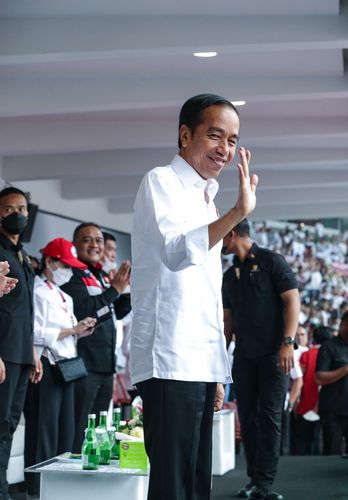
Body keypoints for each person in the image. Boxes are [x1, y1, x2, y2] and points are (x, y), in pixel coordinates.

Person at [129, 93, 258, 500]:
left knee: (197, 481)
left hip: (198, 360)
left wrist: (216, 366)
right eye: (215, 135)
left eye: (233, 140)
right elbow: (176, 251)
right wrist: (237, 213)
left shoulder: (207, 196)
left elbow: (205, 294)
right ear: (185, 135)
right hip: (169, 358)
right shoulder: (160, 181)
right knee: (173, 483)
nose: (225, 149)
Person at [221, 218, 300, 500]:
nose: (218, 240)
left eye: (221, 234)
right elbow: (227, 320)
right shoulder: (229, 276)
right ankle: (254, 479)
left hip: (274, 355)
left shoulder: (271, 261)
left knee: (269, 416)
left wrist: (287, 343)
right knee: (248, 417)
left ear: (232, 232)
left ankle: (265, 483)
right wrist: (221, 356)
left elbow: (292, 300)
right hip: (244, 356)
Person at [23, 238, 96, 496]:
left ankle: (60, 482)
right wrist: (71, 330)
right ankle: (38, 486)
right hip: (44, 362)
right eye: (65, 264)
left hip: (67, 363)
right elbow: (33, 330)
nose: (69, 270)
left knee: (66, 427)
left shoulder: (64, 295)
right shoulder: (36, 290)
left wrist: (79, 331)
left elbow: (68, 331)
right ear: (50, 261)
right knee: (44, 427)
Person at [62, 222, 131, 451]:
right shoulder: (71, 274)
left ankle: (93, 475)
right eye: (87, 239)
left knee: (99, 426)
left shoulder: (101, 274)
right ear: (75, 244)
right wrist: (114, 291)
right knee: (80, 424)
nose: (94, 245)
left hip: (106, 364)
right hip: (84, 363)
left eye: (99, 241)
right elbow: (85, 310)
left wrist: (124, 289)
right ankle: (71, 475)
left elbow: (117, 312)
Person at [0, 187, 41, 500]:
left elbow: (24, 311)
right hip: (3, 352)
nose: (17, 214)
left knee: (10, 424)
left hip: (20, 352)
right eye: (9, 209)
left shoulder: (21, 255)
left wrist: (32, 352)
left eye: (22, 208)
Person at [315, 309, 348, 456]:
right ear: (344, 325)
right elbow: (319, 378)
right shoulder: (328, 347)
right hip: (333, 409)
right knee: (332, 451)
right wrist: (347, 369)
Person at [292, 326, 334, 455]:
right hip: (327, 406)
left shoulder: (306, 355)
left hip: (305, 404)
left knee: (302, 444)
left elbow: (299, 379)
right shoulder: (332, 356)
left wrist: (294, 403)